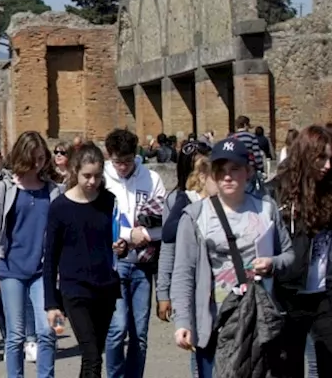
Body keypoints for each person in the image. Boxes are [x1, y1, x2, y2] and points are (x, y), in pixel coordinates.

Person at [170, 137, 293, 378]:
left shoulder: (266, 209)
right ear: (212, 175)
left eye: (234, 169)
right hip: (215, 322)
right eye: (221, 170)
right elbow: (183, 273)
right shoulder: (195, 216)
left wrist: (273, 264)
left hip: (260, 321)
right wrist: (183, 322)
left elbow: (289, 256)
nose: (227, 177)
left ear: (247, 172)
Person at [0, 131, 62, 378]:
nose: (38, 164)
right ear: (22, 157)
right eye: (33, 159)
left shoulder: (51, 191)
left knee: (48, 331)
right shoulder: (3, 189)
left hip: (42, 270)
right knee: (15, 335)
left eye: (41, 159)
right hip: (11, 269)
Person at [43, 143, 122, 378]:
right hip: (75, 289)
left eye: (97, 176)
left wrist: (123, 246)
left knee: (95, 352)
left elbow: (118, 238)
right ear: (75, 170)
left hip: (105, 287)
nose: (92, 181)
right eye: (87, 175)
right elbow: (50, 258)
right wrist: (51, 303)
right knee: (92, 356)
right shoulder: (60, 207)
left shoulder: (109, 201)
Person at [102, 128, 166, 378]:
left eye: (127, 161)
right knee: (117, 329)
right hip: (114, 264)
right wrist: (130, 235)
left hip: (142, 264)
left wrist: (146, 235)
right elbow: (99, 222)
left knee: (139, 333)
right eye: (117, 161)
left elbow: (164, 222)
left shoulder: (151, 179)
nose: (122, 167)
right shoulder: (103, 179)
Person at [270, 125, 332, 377]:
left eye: (330, 158)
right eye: (321, 158)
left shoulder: (329, 188)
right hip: (289, 293)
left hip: (324, 294)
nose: (327, 165)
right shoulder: (278, 191)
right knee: (288, 367)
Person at [155, 141, 213, 330]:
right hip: (191, 282)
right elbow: (168, 245)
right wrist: (163, 292)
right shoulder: (176, 200)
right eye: (195, 169)